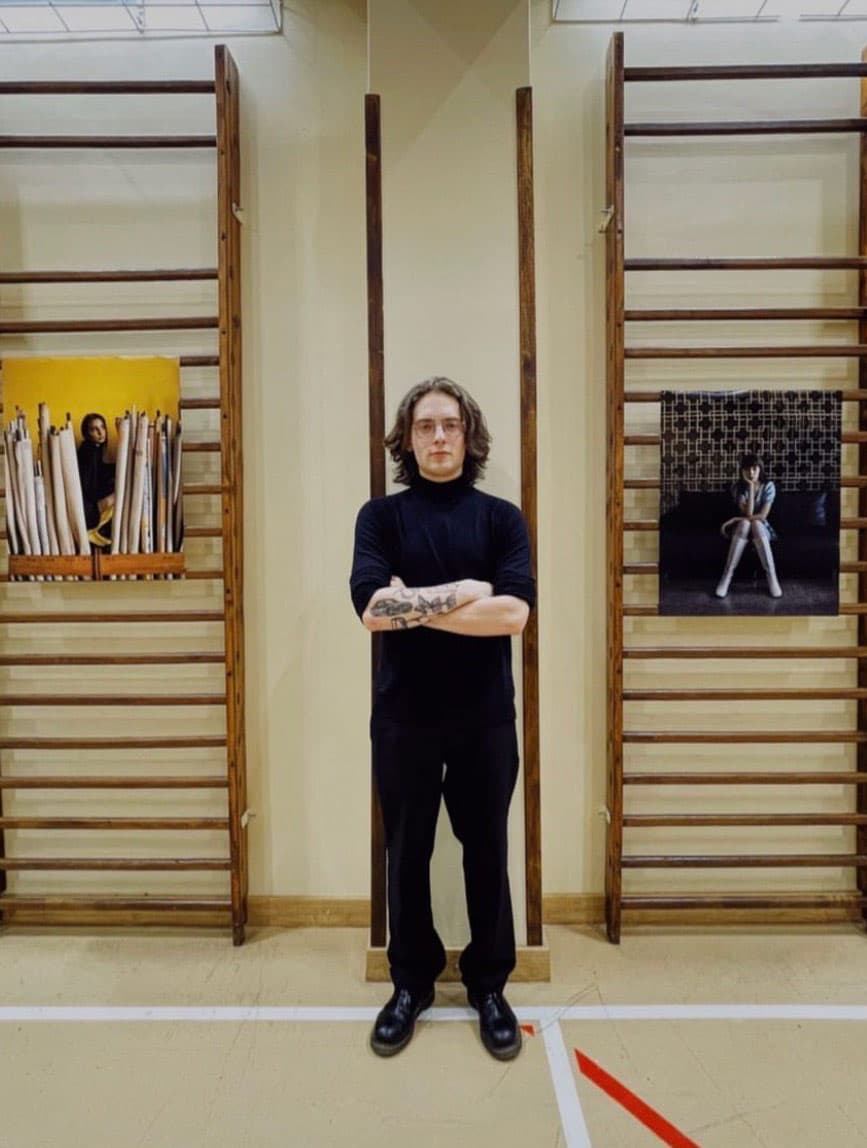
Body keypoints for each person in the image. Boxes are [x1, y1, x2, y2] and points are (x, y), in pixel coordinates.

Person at [350, 377, 535, 1061]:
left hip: (485, 719)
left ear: (467, 434)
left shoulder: (501, 519)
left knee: (486, 851)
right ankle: (411, 984)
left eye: (449, 425)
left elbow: (513, 614)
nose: (437, 437)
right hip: (405, 717)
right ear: (407, 438)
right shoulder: (380, 519)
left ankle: (490, 987)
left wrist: (416, 605)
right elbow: (373, 610)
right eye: (425, 425)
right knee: (407, 853)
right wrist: (464, 592)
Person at [715, 452, 781, 599]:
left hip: (761, 529)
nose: (751, 473)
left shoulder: (768, 486)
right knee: (745, 523)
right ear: (742, 471)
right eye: (747, 469)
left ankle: (772, 578)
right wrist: (750, 487)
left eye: (754, 469)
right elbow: (749, 513)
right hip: (742, 530)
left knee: (755, 523)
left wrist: (735, 519)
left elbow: (762, 516)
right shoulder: (737, 487)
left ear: (760, 469)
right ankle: (726, 578)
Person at [77, 412, 115, 549]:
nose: (100, 432)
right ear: (86, 433)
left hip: (90, 506)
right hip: (88, 510)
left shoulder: (94, 449)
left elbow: (99, 472)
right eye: (94, 429)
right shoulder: (88, 451)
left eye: (102, 427)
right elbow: (89, 486)